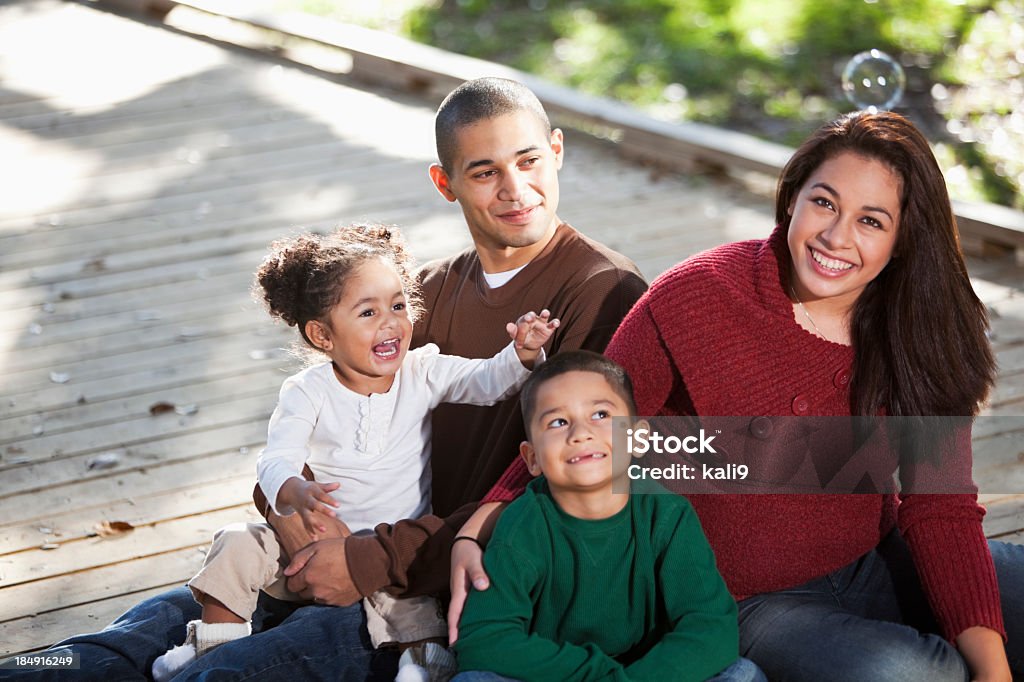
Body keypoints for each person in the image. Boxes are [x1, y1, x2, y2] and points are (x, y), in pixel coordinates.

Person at [0, 78, 647, 680]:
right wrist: (289, 508)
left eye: (528, 161)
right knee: (117, 646)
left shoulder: (603, 292)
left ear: (557, 152)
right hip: (337, 551)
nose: (514, 188)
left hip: (429, 599)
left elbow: (573, 489)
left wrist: (371, 560)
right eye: (485, 171)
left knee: (213, 672)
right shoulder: (425, 291)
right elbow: (326, 411)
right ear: (445, 184)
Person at [463, 111, 1024, 681]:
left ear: (905, 239)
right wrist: (482, 521)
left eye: (872, 221)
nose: (836, 237)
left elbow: (940, 508)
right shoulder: (698, 296)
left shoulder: (917, 327)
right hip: (745, 600)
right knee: (916, 673)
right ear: (791, 200)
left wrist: (992, 665)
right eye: (824, 203)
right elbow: (586, 415)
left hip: (872, 559)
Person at [149, 225, 559, 681]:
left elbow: (488, 382)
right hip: (305, 547)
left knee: (413, 593)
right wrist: (294, 490)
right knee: (236, 541)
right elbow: (275, 457)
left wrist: (521, 353)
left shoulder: (422, 371)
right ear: (323, 335)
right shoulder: (308, 391)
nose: (390, 322)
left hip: (382, 544)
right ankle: (214, 639)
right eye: (368, 312)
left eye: (398, 306)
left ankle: (424, 660)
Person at [452, 351, 765, 682]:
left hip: (651, 673)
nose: (580, 433)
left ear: (639, 439)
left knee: (743, 674)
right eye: (558, 422)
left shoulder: (667, 515)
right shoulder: (522, 525)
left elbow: (711, 626)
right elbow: (484, 640)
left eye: (600, 414)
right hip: (554, 673)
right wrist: (600, 676)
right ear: (532, 459)